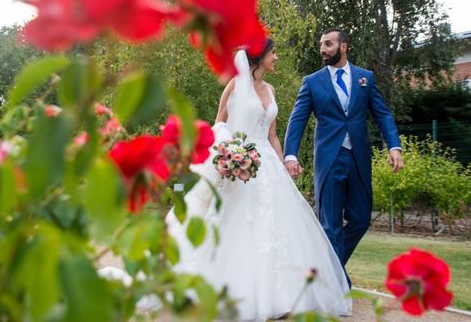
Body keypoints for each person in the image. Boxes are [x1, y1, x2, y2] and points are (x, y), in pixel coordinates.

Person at [166, 39, 351, 321]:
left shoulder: (272, 90)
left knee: (280, 229)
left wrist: (285, 163)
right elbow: (220, 125)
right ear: (260, 56)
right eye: (273, 52)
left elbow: (272, 135)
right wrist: (232, 153)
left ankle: (285, 296)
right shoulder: (235, 85)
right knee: (243, 226)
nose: (276, 57)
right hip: (242, 166)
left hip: (269, 166)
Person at [283, 28, 403, 286]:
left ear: (344, 46)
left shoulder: (365, 79)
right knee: (331, 226)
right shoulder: (312, 82)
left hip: (358, 158)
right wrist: (290, 154)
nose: (323, 49)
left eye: (328, 44)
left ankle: (325, 268)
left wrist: (394, 146)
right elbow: (297, 119)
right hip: (329, 160)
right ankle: (338, 285)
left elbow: (382, 114)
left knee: (361, 219)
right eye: (321, 44)